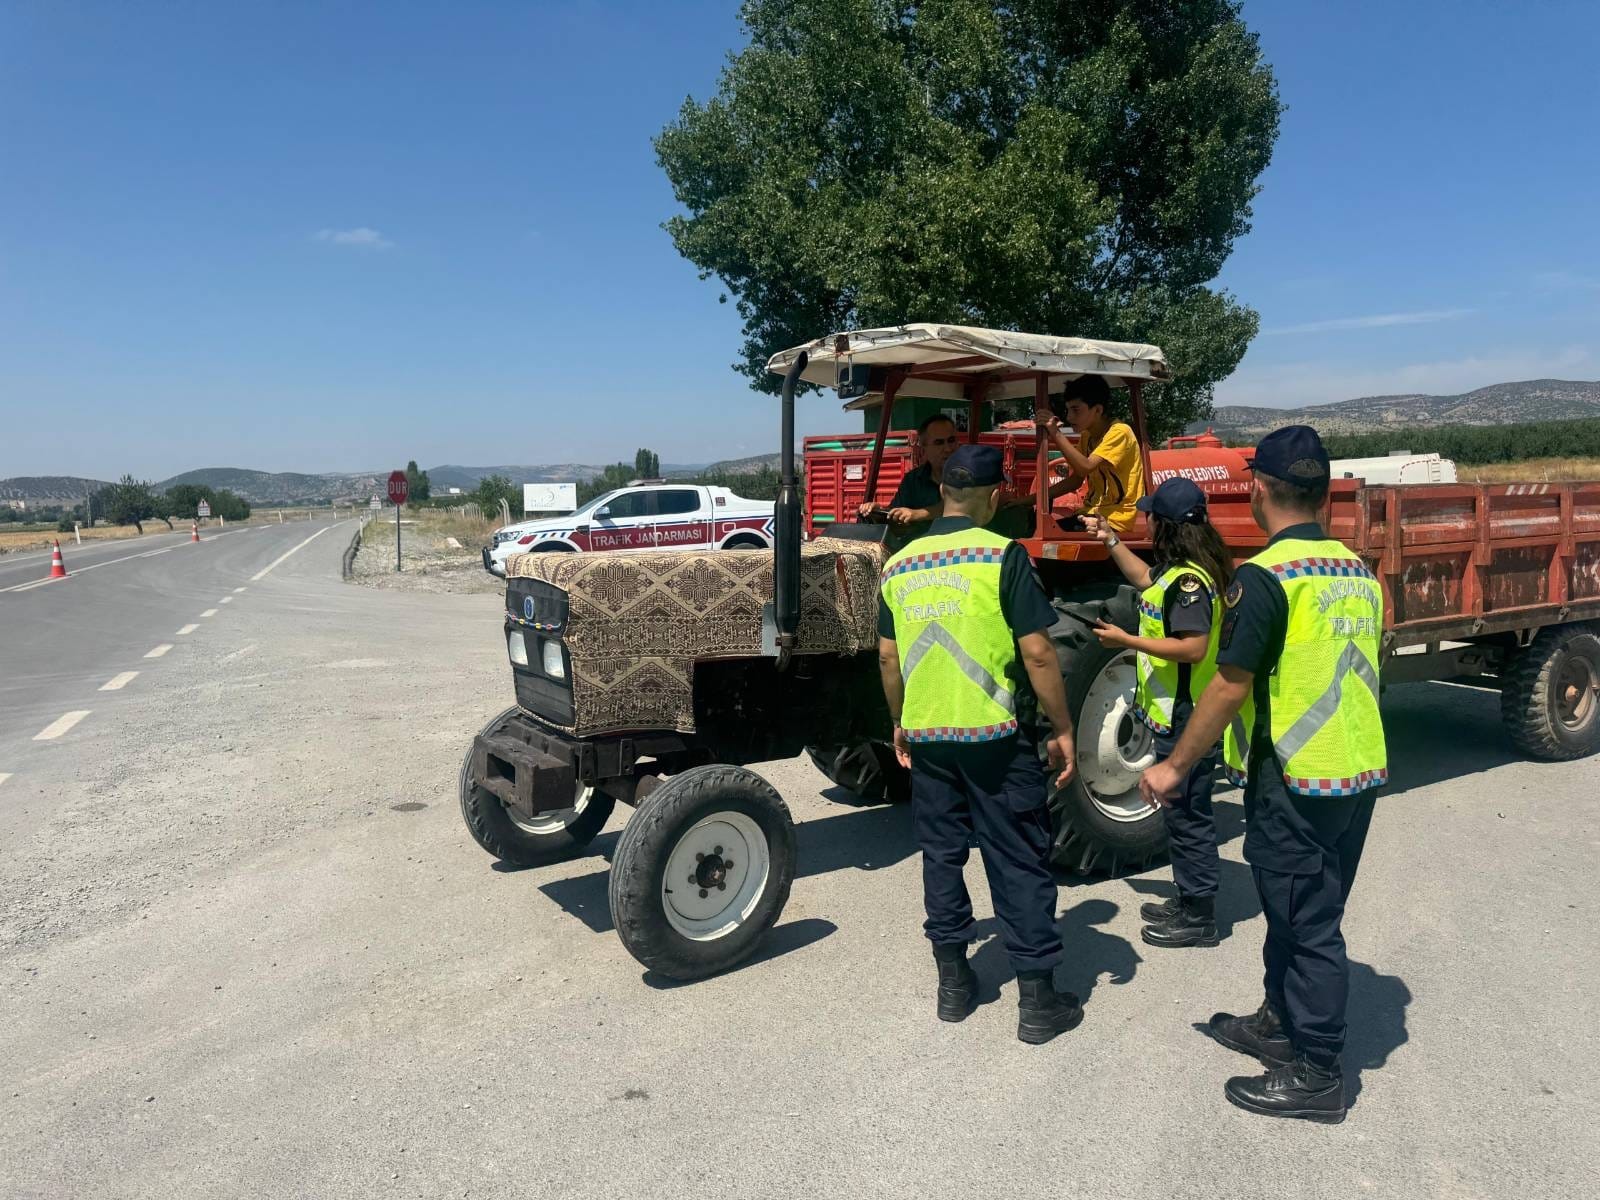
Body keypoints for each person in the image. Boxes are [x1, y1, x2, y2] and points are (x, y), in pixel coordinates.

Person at [1139, 426, 1387, 1124]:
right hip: (1356, 769)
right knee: (1298, 908)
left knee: (1308, 922)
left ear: (1257, 490)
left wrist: (1174, 766)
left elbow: (1227, 686)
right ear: (1323, 492)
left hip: (1297, 776)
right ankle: (1279, 1020)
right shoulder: (1355, 572)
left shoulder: (1266, 577)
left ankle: (1317, 1070)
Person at [877, 443, 1084, 1044]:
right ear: (994, 498)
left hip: (930, 737)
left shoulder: (901, 564)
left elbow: (889, 657)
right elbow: (1039, 651)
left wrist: (900, 720)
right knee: (1016, 854)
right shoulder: (1002, 557)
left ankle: (954, 984)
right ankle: (1038, 1001)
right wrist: (1063, 727)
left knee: (942, 854)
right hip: (996, 736)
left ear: (941, 492)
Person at [1082, 476, 1232, 949]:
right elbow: (1143, 581)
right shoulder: (1175, 572)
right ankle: (1188, 896)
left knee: (1189, 816)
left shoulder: (1189, 581)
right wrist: (1109, 538)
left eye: (1149, 515)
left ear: (1165, 525)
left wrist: (1126, 641)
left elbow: (1192, 647)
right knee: (1177, 813)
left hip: (1189, 716)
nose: (1143, 520)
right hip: (1172, 716)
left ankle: (1200, 915)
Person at [1033, 375, 1146, 533]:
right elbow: (1075, 481)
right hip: (1090, 515)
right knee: (1038, 530)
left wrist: (1055, 432)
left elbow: (1084, 467)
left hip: (1114, 520)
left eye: (1076, 409)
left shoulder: (1120, 432)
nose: (1069, 417)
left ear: (1098, 410)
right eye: (1068, 409)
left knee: (1049, 536)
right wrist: (1031, 499)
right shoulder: (1087, 437)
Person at [857, 413, 960, 540]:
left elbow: (959, 506)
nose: (948, 448)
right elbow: (898, 517)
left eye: (951, 440)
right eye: (939, 443)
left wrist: (917, 514)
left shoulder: (970, 475)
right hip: (920, 554)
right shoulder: (913, 480)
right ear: (924, 449)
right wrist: (879, 512)